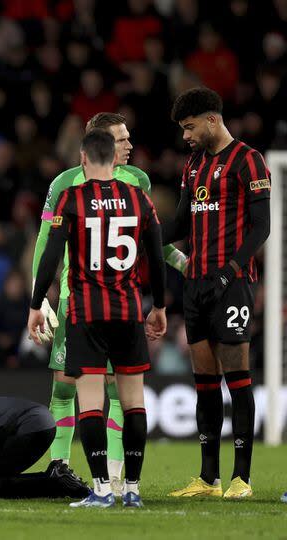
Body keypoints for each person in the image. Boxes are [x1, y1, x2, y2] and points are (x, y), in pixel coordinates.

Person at [31, 112, 187, 492]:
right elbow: (44, 243)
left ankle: (111, 479)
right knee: (66, 388)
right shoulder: (64, 184)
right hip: (99, 302)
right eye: (121, 140)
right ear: (98, 143)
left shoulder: (134, 181)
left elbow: (149, 239)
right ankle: (62, 470)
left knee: (107, 394)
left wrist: (179, 260)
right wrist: (45, 297)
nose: (129, 146)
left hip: (88, 304)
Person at [162, 87, 271, 499]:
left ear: (212, 120)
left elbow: (262, 226)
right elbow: (179, 227)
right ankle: (208, 479)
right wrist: (140, 231)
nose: (186, 136)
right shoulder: (192, 165)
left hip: (234, 283)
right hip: (196, 284)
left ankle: (241, 478)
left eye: (189, 127)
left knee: (237, 378)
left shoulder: (249, 160)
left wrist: (230, 272)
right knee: (204, 382)